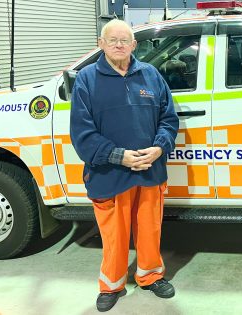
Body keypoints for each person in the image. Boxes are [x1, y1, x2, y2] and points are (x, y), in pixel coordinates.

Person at [70, 19, 179, 312]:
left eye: (125, 40)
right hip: (108, 173)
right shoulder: (87, 80)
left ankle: (150, 276)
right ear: (101, 44)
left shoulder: (151, 75)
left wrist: (159, 148)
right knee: (114, 237)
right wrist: (119, 156)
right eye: (113, 39)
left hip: (150, 171)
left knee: (149, 231)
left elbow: (169, 120)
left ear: (134, 45)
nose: (119, 45)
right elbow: (82, 134)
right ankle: (112, 285)